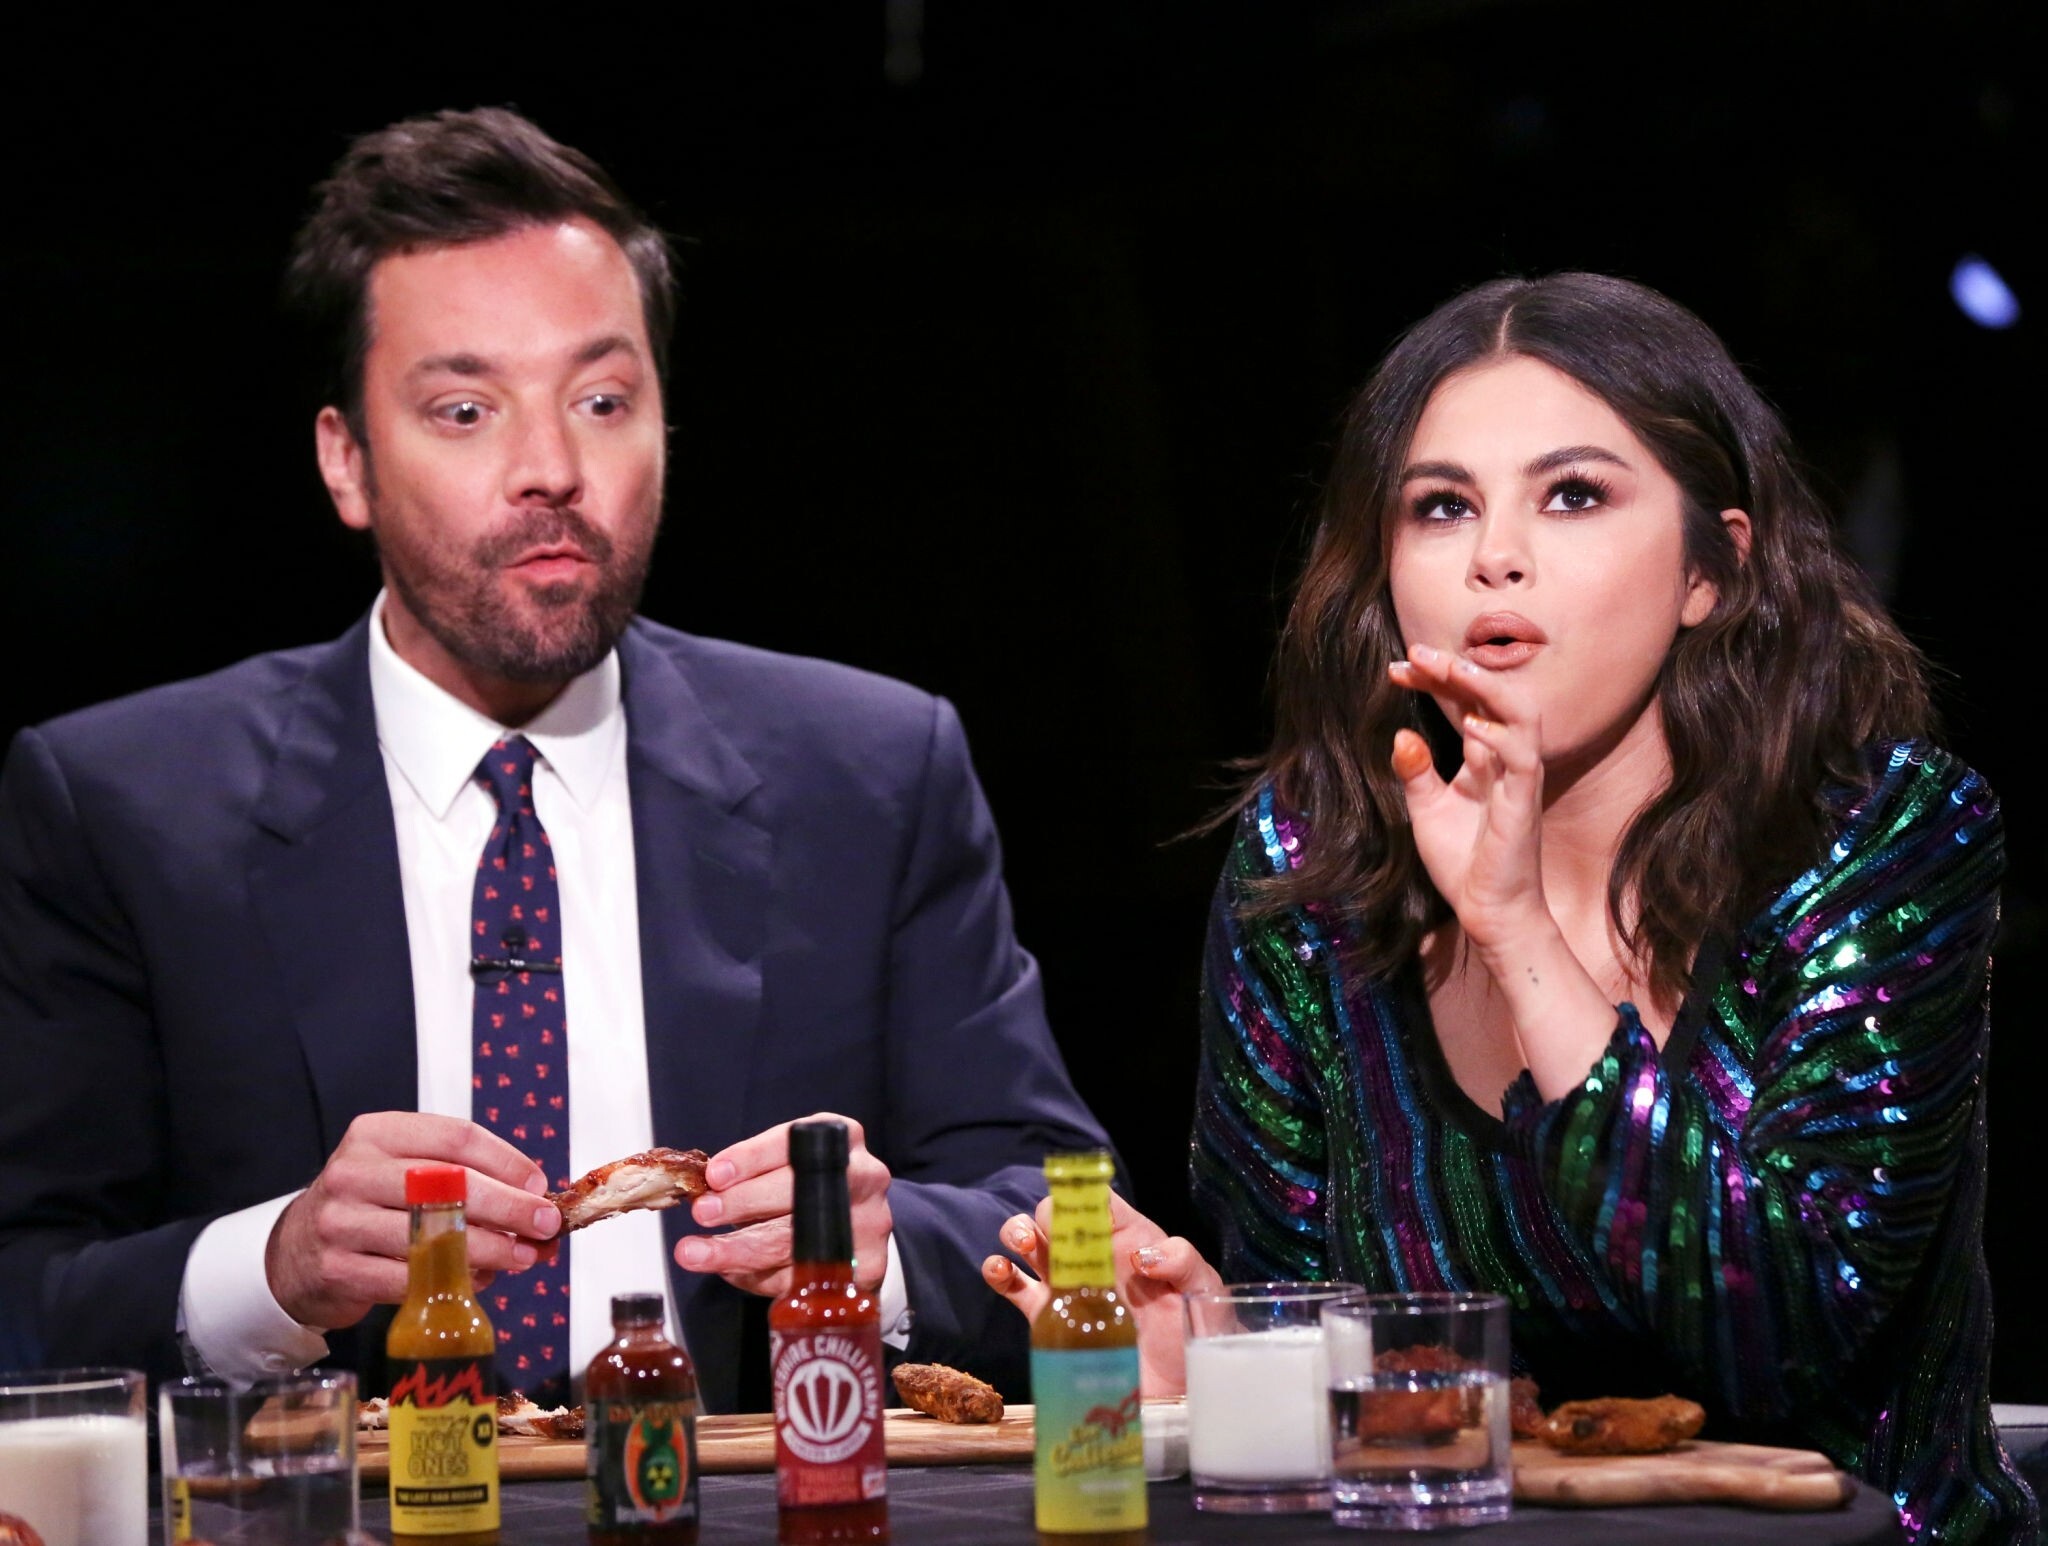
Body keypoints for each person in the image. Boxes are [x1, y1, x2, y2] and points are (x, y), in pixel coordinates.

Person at [0, 106, 1108, 1412]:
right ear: (347, 461)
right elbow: (26, 1286)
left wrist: (880, 1246)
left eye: (602, 401)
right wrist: (274, 1268)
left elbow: (1067, 1211)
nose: (551, 469)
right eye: (466, 409)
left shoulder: (869, 773)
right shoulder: (124, 806)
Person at [984, 274, 2037, 1544]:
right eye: (1440, 506)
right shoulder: (1310, 869)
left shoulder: (1877, 831)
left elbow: (1781, 1337)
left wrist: (1517, 930)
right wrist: (1227, 1350)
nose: (1494, 555)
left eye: (1572, 494)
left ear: (1711, 567)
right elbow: (1340, 1377)